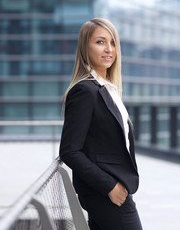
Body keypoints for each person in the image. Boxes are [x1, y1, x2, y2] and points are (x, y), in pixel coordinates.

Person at [59, 18, 143, 230]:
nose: (109, 49)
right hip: (104, 193)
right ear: (85, 47)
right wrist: (110, 187)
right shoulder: (85, 91)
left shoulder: (107, 90)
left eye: (113, 42)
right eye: (100, 42)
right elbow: (70, 151)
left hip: (112, 191)